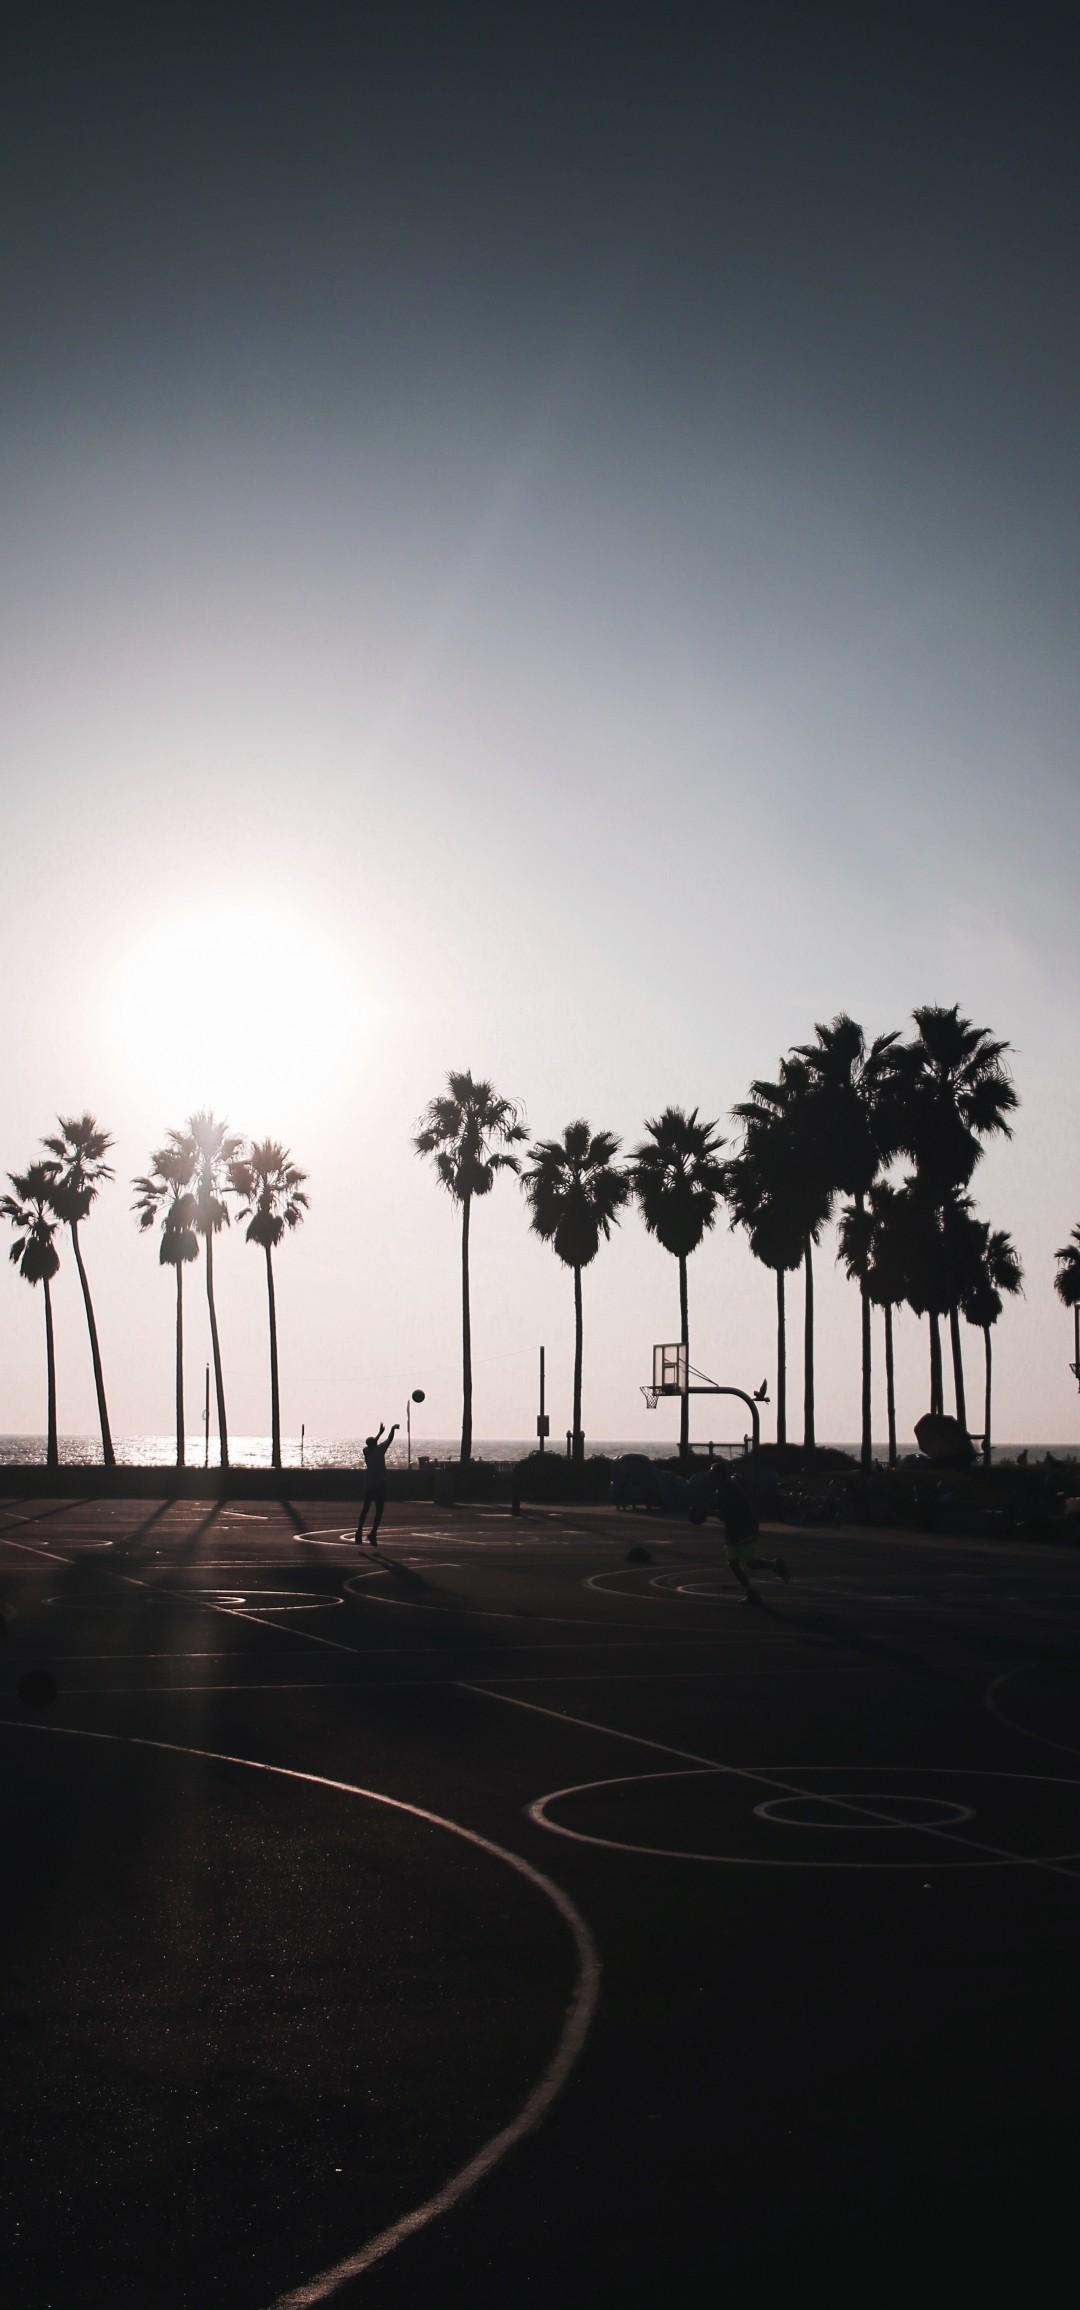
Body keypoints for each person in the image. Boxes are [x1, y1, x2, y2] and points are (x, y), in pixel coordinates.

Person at [709, 1462, 789, 1605]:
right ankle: (752, 1591)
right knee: (735, 1564)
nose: (712, 1478)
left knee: (750, 1563)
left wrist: (712, 1513)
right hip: (735, 1531)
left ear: (720, 1475)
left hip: (743, 1530)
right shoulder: (724, 1489)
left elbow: (732, 1513)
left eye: (714, 1475)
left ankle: (774, 1566)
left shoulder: (729, 1490)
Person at [354, 1420, 399, 1545]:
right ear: (375, 1443)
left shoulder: (366, 1451)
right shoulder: (380, 1450)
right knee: (379, 1510)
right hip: (379, 1484)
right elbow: (389, 1439)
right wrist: (392, 1429)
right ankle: (373, 1532)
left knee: (365, 1509)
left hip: (369, 1484)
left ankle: (359, 1531)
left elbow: (373, 1442)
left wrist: (379, 1433)